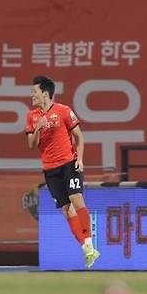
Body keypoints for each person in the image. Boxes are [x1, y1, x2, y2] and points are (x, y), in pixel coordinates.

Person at [25, 75, 100, 269]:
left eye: (34, 92)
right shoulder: (32, 116)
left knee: (76, 198)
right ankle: (87, 250)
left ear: (45, 93)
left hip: (69, 163)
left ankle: (89, 242)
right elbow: (31, 144)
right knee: (66, 209)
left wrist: (80, 160)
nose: (32, 95)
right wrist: (38, 128)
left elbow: (79, 138)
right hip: (50, 169)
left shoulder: (64, 111)